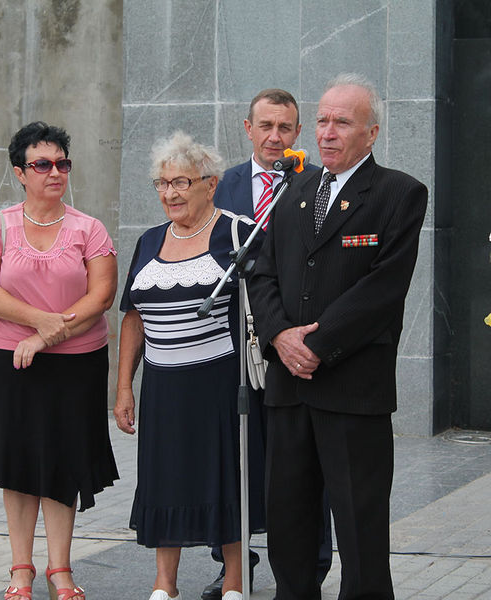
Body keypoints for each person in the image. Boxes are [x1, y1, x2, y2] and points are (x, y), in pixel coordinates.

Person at [250, 73, 428, 600]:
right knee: (288, 523)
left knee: (359, 527)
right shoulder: (294, 190)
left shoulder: (399, 193)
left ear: (371, 133)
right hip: (289, 388)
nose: (327, 133)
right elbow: (262, 272)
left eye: (342, 122)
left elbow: (383, 288)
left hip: (352, 389)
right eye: (322, 120)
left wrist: (315, 345)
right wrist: (280, 335)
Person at [0, 121, 119, 600]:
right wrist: (40, 323)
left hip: (77, 363)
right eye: (43, 165)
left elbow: (102, 295)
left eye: (62, 163)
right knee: (16, 463)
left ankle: (61, 571)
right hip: (8, 361)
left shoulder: (88, 228)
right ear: (19, 172)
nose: (55, 173)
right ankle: (20, 570)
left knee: (63, 461)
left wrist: (47, 336)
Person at [114, 131, 266, 600]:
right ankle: (165, 584)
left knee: (226, 477)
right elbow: (133, 317)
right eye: (162, 184)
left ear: (210, 184)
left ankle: (235, 581)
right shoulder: (149, 241)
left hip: (219, 384)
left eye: (181, 182)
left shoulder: (238, 232)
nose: (170, 193)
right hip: (162, 387)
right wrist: (124, 387)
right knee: (165, 479)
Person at [204, 89, 332, 600]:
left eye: (285, 127)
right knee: (233, 454)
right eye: (266, 126)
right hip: (231, 339)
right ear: (248, 128)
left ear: (298, 132)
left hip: (291, 339)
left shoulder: (317, 182)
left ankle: (310, 565)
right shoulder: (222, 185)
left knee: (302, 456)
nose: (275, 137)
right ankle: (234, 567)